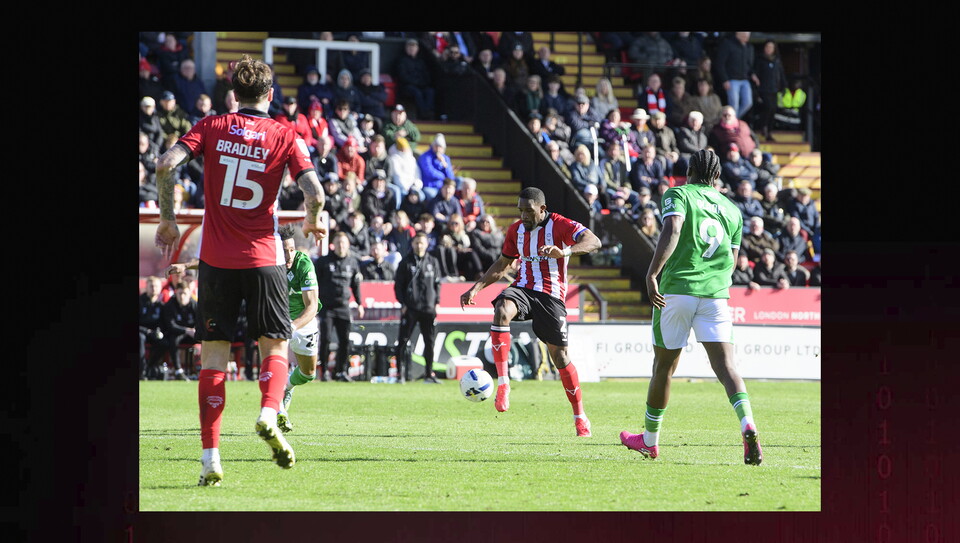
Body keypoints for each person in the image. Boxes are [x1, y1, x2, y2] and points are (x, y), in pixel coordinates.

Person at [154, 54, 327, 485]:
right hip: (265, 259)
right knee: (275, 347)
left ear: (233, 94)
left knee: (213, 358)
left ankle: (210, 458)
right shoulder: (284, 134)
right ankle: (269, 411)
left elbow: (165, 164)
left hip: (216, 260)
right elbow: (315, 191)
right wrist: (311, 219)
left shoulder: (211, 126)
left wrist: (168, 219)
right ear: (270, 94)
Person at [620, 148, 763, 465]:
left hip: (677, 291)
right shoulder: (732, 210)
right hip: (715, 296)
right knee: (727, 367)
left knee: (663, 367)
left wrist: (652, 273)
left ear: (689, 172)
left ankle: (650, 441)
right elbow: (732, 260)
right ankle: (747, 423)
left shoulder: (678, 194)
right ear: (717, 176)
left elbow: (673, 229)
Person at [459, 187, 602, 437]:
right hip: (523, 288)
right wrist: (476, 288)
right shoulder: (516, 230)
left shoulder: (560, 225)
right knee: (502, 309)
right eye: (520, 210)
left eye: (529, 210)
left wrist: (565, 251)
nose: (524, 215)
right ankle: (504, 384)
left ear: (542, 209)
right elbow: (503, 264)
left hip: (551, 296)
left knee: (560, 358)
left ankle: (580, 416)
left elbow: (594, 241)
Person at [274, 224, 322, 434]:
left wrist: (292, 326)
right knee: (273, 367)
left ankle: (288, 387)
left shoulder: (304, 265)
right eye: (284, 251)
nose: (289, 255)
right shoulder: (269, 265)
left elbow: (312, 307)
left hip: (302, 322)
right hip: (278, 319)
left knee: (308, 374)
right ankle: (277, 411)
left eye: (292, 250)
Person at [392, 232, 442, 383]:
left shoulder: (433, 261)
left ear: (426, 244)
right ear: (412, 244)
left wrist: (437, 303)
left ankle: (429, 374)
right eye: (416, 243)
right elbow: (398, 286)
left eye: (422, 243)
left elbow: (437, 284)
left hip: (428, 308)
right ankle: (400, 374)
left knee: (430, 342)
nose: (419, 246)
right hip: (410, 308)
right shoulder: (405, 262)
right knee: (403, 341)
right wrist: (403, 303)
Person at [314, 232, 364, 382]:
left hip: (344, 307)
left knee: (345, 340)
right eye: (338, 243)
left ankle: (341, 371)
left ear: (348, 245)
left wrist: (360, 304)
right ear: (333, 245)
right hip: (327, 308)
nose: (341, 246)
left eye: (343, 243)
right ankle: (324, 372)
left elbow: (355, 285)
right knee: (326, 339)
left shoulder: (352, 262)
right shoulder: (323, 262)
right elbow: (314, 284)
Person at [159, 280, 200, 381]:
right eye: (180, 293)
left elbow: (200, 322)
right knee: (173, 339)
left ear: (189, 293)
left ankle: (201, 368)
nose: (182, 296)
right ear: (176, 293)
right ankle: (178, 371)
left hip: (192, 333)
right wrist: (187, 330)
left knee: (205, 338)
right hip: (178, 333)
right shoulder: (170, 305)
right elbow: (171, 326)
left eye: (184, 293)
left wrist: (195, 330)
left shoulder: (194, 304)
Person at [714, 32, 759, 120]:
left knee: (748, 103)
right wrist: (724, 79)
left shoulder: (749, 47)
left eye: (747, 35)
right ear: (738, 33)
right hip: (732, 79)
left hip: (745, 79)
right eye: (744, 35)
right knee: (734, 104)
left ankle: (733, 120)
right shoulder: (728, 44)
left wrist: (753, 74)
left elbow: (749, 64)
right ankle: (732, 122)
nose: (746, 37)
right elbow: (720, 64)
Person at [754, 40, 788, 141]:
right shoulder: (760, 60)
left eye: (771, 47)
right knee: (767, 107)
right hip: (763, 89)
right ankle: (763, 127)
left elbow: (781, 74)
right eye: (767, 47)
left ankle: (769, 131)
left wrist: (784, 86)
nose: (769, 49)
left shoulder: (777, 61)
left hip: (774, 89)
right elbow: (755, 73)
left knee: (773, 110)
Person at [395, 38, 436, 120]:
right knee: (417, 92)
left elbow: (426, 76)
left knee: (430, 91)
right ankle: (423, 113)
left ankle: (428, 112)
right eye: (410, 47)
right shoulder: (402, 61)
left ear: (417, 49)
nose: (412, 49)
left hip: (421, 86)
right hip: (407, 86)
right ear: (406, 48)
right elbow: (403, 77)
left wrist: (423, 83)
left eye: (414, 47)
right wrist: (416, 82)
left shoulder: (421, 61)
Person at [139, 276, 166, 380]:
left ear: (160, 288)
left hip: (154, 333)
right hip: (141, 331)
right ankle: (141, 371)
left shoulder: (161, 305)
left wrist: (158, 331)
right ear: (146, 287)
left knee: (164, 342)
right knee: (140, 338)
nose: (153, 288)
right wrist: (147, 331)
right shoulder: (140, 302)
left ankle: (150, 366)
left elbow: (163, 323)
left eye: (156, 286)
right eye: (151, 286)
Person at [417, 133, 456, 200]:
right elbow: (429, 172)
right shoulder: (425, 156)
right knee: (434, 197)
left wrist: (445, 166)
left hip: (443, 187)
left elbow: (451, 177)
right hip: (429, 186)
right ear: (433, 146)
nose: (438, 149)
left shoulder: (445, 158)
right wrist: (443, 177)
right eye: (436, 146)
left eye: (440, 147)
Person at [676, 110, 707, 175]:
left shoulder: (703, 136)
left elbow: (704, 147)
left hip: (699, 157)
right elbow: (684, 145)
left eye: (696, 121)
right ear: (689, 121)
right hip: (686, 156)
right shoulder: (683, 131)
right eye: (692, 121)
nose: (694, 123)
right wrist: (698, 150)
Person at [649, 111, 680, 176]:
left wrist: (675, 153)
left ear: (664, 121)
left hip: (669, 153)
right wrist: (665, 154)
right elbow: (651, 147)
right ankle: (663, 179)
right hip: (658, 154)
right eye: (655, 120)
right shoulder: (650, 132)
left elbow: (674, 145)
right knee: (664, 161)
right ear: (652, 121)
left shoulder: (669, 131)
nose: (657, 122)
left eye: (659, 120)